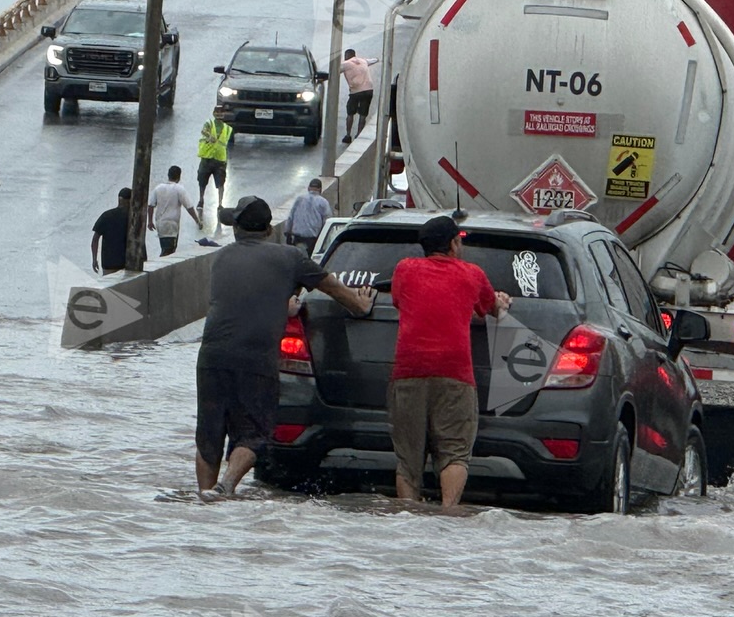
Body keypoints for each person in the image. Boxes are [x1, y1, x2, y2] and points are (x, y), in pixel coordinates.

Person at [196, 195, 374, 500]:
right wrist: (362, 303)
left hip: (211, 357)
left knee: (209, 435)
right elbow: (336, 290)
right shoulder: (291, 259)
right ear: (268, 230)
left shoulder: (222, 258)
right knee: (253, 433)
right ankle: (227, 485)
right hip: (256, 360)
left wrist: (283, 305)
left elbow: (248, 298)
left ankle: (206, 496)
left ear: (237, 228)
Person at [389, 214, 511, 508]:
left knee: (408, 460)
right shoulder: (472, 274)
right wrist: (501, 302)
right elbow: (490, 308)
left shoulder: (404, 269)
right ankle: (448, 515)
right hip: (455, 373)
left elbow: (398, 301)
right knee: (455, 452)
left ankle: (407, 518)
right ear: (454, 244)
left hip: (408, 371)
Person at [148, 165, 201, 257]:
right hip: (172, 225)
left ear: (168, 175)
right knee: (169, 251)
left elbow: (151, 205)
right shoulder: (179, 189)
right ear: (179, 177)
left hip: (160, 224)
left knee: (165, 248)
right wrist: (197, 221)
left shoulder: (158, 188)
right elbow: (189, 207)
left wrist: (150, 222)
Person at [196, 105, 234, 224]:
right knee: (202, 181)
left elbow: (229, 144)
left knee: (220, 183)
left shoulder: (228, 129)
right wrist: (209, 136)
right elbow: (204, 130)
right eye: (217, 112)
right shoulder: (209, 123)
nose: (219, 114)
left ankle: (220, 204)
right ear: (213, 113)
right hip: (207, 158)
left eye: (221, 112)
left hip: (220, 161)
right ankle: (201, 200)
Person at [282, 178, 332, 257]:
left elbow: (291, 217)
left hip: (297, 238)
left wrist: (287, 233)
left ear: (308, 188)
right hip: (313, 239)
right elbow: (327, 221)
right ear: (320, 189)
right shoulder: (323, 202)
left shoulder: (299, 199)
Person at [340, 49, 379, 145]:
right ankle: (359, 134)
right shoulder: (363, 61)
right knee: (363, 114)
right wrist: (377, 59)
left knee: (350, 113)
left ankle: (348, 135)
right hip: (368, 90)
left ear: (346, 56)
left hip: (355, 92)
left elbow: (335, 71)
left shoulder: (345, 64)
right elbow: (373, 60)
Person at [91, 187, 131, 276]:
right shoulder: (133, 218)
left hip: (108, 263)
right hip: (128, 263)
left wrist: (94, 259)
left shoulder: (106, 216)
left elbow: (95, 239)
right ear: (130, 201)